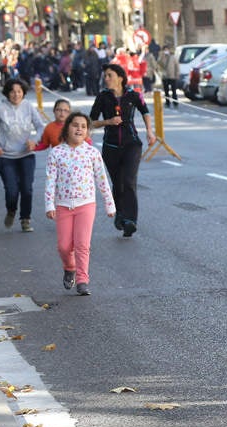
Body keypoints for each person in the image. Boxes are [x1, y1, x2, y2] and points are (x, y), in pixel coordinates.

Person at [45, 112, 116, 296]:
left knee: (82, 244)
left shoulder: (92, 153)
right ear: (67, 127)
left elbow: (102, 180)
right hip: (63, 206)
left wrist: (110, 204)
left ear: (87, 131)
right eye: (75, 125)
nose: (79, 129)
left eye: (83, 126)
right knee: (64, 246)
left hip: (86, 205)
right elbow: (50, 180)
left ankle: (83, 280)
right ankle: (70, 268)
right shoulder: (56, 153)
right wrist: (49, 205)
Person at [90, 63, 156, 237]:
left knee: (128, 180)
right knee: (117, 182)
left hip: (131, 144)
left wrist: (150, 131)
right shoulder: (102, 97)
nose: (106, 79)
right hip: (110, 146)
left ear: (120, 77)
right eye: (105, 76)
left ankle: (130, 220)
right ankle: (120, 214)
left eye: (110, 75)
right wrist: (108, 122)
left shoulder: (133, 95)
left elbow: (145, 111)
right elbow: (91, 122)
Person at [0, 78, 45, 232]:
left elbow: (40, 127)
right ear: (7, 93)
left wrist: (34, 141)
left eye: (19, 91)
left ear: (23, 93)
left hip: (26, 154)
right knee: (11, 190)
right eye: (12, 91)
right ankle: (11, 210)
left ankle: (25, 219)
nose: (16, 95)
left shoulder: (28, 107)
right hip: (6, 156)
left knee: (27, 188)